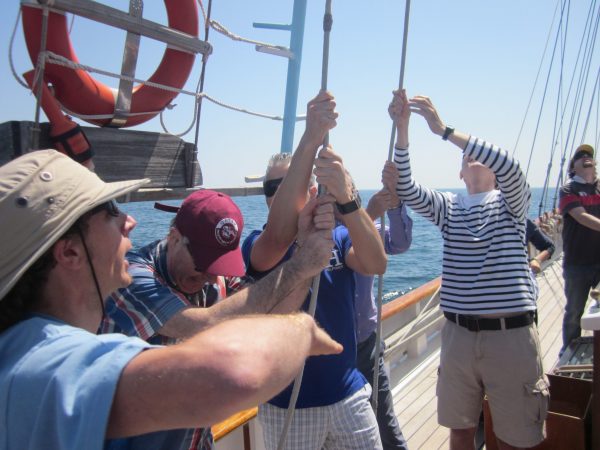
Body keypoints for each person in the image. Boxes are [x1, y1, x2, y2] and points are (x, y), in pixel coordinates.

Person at [0, 149, 344, 450]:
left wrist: (305, 261)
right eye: (109, 211)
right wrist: (300, 328)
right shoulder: (45, 362)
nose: (130, 220)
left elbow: (266, 311)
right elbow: (229, 372)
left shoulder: (24, 345)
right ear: (70, 251)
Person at [389, 90, 547, 450]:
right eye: (466, 156)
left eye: (478, 154)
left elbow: (509, 164)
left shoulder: (512, 203)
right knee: (459, 431)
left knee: (514, 437)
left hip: (511, 335)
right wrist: (403, 129)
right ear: (460, 172)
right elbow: (405, 188)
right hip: (458, 336)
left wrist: (443, 130)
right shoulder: (449, 207)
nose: (472, 157)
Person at [242, 91, 387, 449]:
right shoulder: (259, 244)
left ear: (309, 187)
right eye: (271, 187)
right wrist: (310, 136)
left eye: (288, 182)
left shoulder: (337, 237)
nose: (277, 193)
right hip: (288, 405)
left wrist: (348, 199)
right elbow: (279, 234)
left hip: (348, 394)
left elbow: (376, 263)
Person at [100, 189, 251, 449]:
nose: (210, 277)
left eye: (219, 267)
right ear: (174, 238)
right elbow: (199, 323)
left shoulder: (215, 276)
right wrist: (299, 267)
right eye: (203, 264)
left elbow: (264, 298)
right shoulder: (132, 276)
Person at [355, 162, 412, 450]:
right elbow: (342, 251)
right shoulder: (319, 234)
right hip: (331, 351)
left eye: (348, 197)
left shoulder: (369, 227)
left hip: (366, 344)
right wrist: (370, 213)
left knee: (385, 423)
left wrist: (396, 203)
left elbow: (400, 243)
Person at [558, 144, 600, 355]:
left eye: (589, 155)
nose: (586, 157)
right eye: (580, 156)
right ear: (573, 168)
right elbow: (581, 216)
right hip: (578, 263)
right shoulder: (568, 190)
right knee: (575, 311)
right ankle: (569, 350)